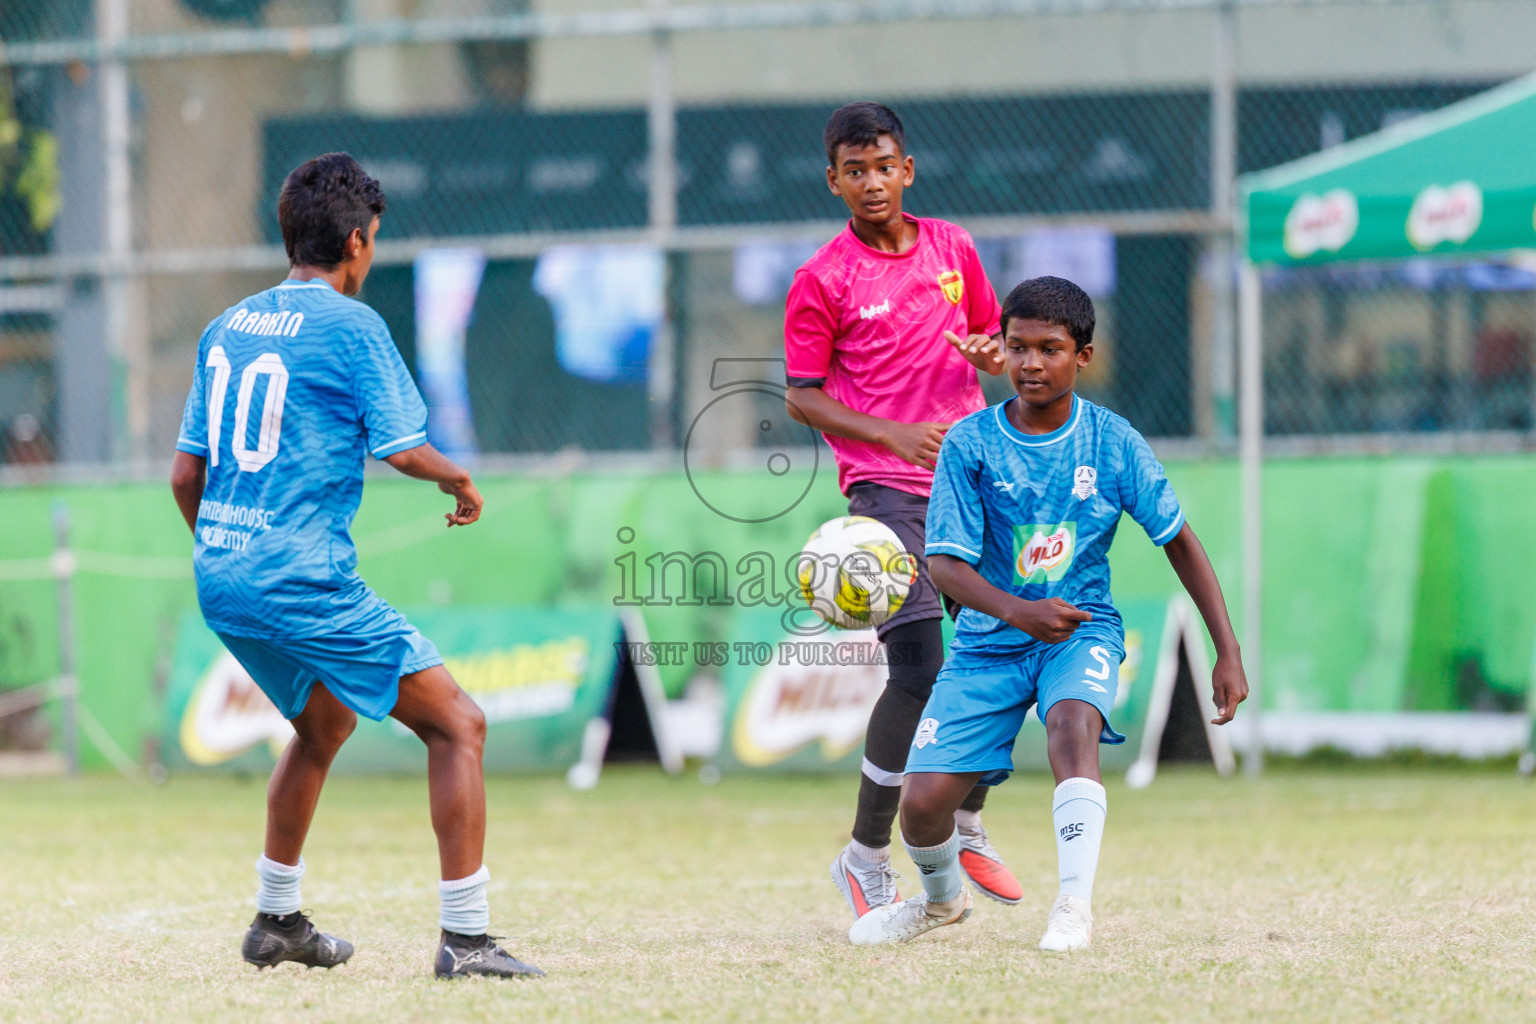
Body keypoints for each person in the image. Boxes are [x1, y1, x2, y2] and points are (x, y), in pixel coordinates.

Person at [169, 152, 541, 980]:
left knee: (324, 723)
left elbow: (185, 476)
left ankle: (276, 918)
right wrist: (458, 475)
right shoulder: (353, 326)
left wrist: (227, 550)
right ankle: (468, 940)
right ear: (358, 241)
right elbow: (404, 450)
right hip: (298, 576)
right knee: (459, 725)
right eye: (374, 241)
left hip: (221, 573)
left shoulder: (225, 326)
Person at [848, 276, 1249, 950]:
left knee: (1072, 729)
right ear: (1000, 350)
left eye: (1049, 349)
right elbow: (943, 566)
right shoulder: (969, 445)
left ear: (1082, 356)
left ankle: (1072, 906)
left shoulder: (1114, 442)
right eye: (1017, 347)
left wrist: (1226, 650)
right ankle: (941, 903)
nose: (1030, 363)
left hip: (1079, 629)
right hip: (986, 643)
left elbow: (1179, 538)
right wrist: (1020, 612)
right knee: (920, 810)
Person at [783, 102, 1023, 920]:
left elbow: (990, 334)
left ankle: (967, 818)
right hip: (884, 494)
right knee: (918, 668)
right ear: (834, 181)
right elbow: (801, 397)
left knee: (1000, 650)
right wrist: (892, 435)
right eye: (856, 170)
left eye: (884, 165)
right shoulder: (824, 277)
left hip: (971, 484)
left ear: (906, 169)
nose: (872, 182)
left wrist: (993, 354)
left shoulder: (953, 247)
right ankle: (865, 858)